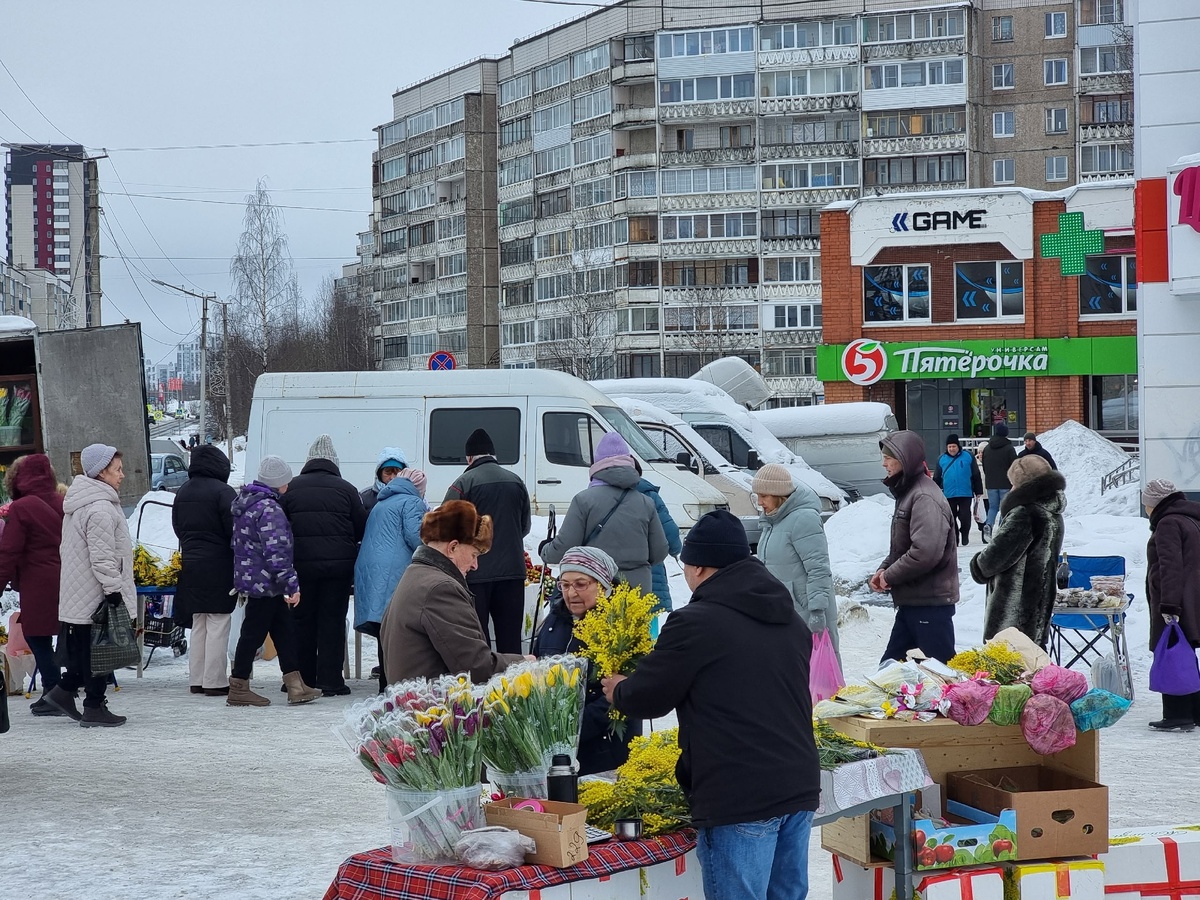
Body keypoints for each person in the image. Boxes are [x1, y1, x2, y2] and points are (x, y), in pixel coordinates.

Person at [603, 510, 821, 900]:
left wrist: (619, 690)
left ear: (699, 567)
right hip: (797, 783)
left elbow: (649, 696)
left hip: (740, 793)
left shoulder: (695, 622)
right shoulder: (790, 620)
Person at [379, 499, 527, 683]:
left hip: (417, 694)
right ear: (453, 548)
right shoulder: (441, 588)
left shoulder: (415, 574)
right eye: (474, 554)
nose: (475, 565)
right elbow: (476, 667)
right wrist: (523, 662)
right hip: (434, 698)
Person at [45, 444, 136, 727]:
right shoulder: (99, 508)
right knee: (101, 653)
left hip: (81, 592)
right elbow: (103, 557)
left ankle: (63, 692)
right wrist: (113, 591)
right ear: (101, 473)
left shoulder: (82, 503)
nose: (122, 475)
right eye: (117, 470)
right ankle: (94, 707)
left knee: (88, 651)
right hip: (97, 594)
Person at [533, 546, 642, 775]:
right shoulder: (554, 621)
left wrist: (571, 727)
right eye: (565, 585)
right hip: (555, 748)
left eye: (581, 584)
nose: (571, 593)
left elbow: (625, 691)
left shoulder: (622, 624)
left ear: (603, 585)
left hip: (603, 751)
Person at [227, 456, 321, 708]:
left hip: (255, 578)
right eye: (286, 481)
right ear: (278, 483)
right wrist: (291, 584)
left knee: (283, 630)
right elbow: (277, 551)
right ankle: (238, 686)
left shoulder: (247, 504)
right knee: (253, 633)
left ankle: (295, 684)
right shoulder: (269, 509)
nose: (288, 486)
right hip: (265, 581)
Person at [281, 434, 368, 696]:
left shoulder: (292, 488)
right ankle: (330, 680)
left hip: (301, 567)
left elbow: (280, 527)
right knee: (332, 621)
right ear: (334, 462)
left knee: (301, 621)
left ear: (308, 461)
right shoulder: (347, 489)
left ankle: (302, 679)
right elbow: (361, 527)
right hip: (338, 569)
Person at [540, 432, 668, 598]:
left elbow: (564, 548)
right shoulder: (646, 502)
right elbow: (660, 551)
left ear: (597, 464)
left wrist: (545, 550)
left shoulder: (583, 500)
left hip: (595, 587)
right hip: (638, 591)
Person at [870, 431, 959, 664]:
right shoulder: (909, 491)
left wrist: (889, 575)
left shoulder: (923, 496)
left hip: (929, 605)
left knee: (941, 673)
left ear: (905, 459)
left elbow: (925, 552)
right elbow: (903, 547)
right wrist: (884, 569)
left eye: (889, 458)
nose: (884, 464)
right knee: (890, 670)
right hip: (913, 603)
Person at [444, 428, 532, 654]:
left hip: (475, 574)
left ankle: (484, 677)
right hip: (513, 573)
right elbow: (524, 527)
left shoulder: (462, 483)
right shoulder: (516, 481)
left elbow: (447, 528)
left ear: (469, 458)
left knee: (478, 639)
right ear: (493, 455)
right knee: (510, 640)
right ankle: (513, 677)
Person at [971, 456, 1066, 648]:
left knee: (1008, 661)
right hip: (1037, 607)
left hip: (1014, 612)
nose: (1011, 488)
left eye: (1014, 483)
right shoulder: (1053, 512)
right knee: (1032, 659)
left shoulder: (1025, 514)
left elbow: (994, 558)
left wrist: (977, 565)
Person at [753, 462, 839, 661]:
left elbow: (818, 569)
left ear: (779, 495)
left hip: (805, 612)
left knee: (814, 671)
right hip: (783, 609)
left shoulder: (803, 519)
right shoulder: (772, 521)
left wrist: (817, 611)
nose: (759, 502)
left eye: (764, 496)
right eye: (757, 495)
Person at [0, 455, 65, 716]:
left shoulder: (21, 508)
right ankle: (62, 688)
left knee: (37, 635)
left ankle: (54, 690)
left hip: (37, 581)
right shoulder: (62, 501)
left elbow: (8, 552)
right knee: (66, 631)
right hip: (67, 577)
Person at [171, 444, 237, 696]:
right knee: (218, 621)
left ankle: (197, 679)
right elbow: (234, 531)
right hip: (219, 564)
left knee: (199, 621)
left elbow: (177, 527)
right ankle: (215, 681)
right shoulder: (223, 492)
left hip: (191, 564)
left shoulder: (183, 491)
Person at [355, 466, 427, 689]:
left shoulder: (383, 501)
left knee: (383, 629)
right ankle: (395, 685)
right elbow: (417, 538)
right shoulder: (412, 502)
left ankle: (385, 684)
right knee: (397, 629)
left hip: (371, 569)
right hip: (393, 570)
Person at [1142, 479, 1200, 732]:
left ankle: (1177, 714)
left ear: (1155, 504)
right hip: (1193, 597)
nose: (1146, 510)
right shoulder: (1191, 518)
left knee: (1173, 653)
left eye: (1146, 505)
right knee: (1186, 654)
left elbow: (1170, 567)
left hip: (1177, 599)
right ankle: (1195, 711)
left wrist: (1169, 605)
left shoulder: (1168, 523)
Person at [633, 460, 682, 618]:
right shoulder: (649, 495)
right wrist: (675, 549)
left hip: (608, 580)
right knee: (650, 620)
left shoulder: (596, 496)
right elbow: (669, 530)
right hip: (650, 573)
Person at [934, 434, 983, 547]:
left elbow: (976, 474)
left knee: (965, 516)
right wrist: (934, 492)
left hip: (965, 493)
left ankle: (965, 533)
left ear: (958, 446)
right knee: (951, 517)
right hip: (948, 494)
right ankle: (955, 536)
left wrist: (978, 491)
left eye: (954, 446)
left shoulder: (968, 456)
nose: (952, 449)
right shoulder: (941, 459)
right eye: (949, 447)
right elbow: (936, 477)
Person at [980, 423, 1018, 542]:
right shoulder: (1009, 448)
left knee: (992, 507)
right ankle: (1001, 530)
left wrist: (990, 478)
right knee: (1004, 508)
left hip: (991, 483)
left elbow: (985, 466)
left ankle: (989, 525)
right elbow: (1015, 466)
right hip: (1006, 483)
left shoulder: (987, 448)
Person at [360, 447, 408, 513]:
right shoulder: (365, 497)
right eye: (388, 472)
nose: (392, 477)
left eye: (397, 473)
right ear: (379, 474)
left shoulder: (411, 497)